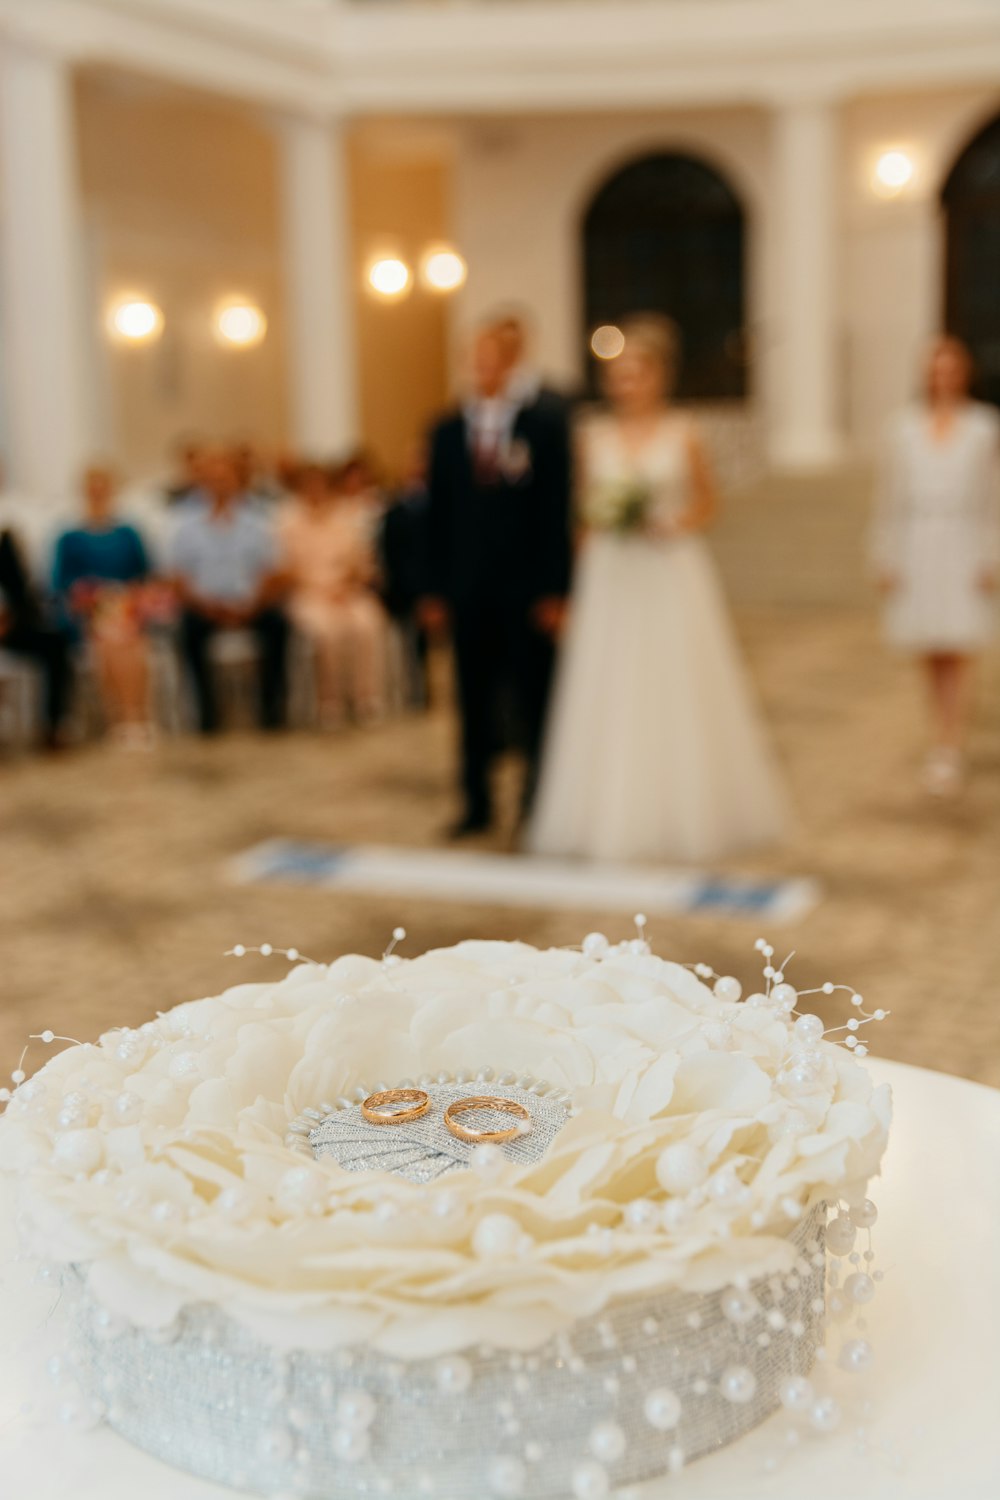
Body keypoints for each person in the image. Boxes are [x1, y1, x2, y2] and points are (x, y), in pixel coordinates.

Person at [529, 314, 787, 863]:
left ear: (658, 377)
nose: (625, 385)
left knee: (671, 680)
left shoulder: (683, 431)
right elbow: (579, 512)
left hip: (668, 567)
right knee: (610, 680)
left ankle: (678, 806)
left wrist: (674, 523)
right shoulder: (591, 436)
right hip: (610, 572)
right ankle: (606, 808)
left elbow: (707, 502)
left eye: (635, 374)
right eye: (617, 376)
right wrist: (575, 579)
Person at [423, 326, 572, 836]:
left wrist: (556, 590)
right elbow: (435, 518)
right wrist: (435, 590)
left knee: (534, 698)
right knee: (472, 701)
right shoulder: (444, 431)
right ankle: (476, 804)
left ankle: (536, 801)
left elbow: (556, 512)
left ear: (512, 363)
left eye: (496, 358)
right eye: (477, 357)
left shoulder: (543, 427)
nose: (485, 366)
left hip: (528, 592)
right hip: (468, 592)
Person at [872, 334, 1000, 796]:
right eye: (935, 368)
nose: (943, 377)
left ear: (964, 373)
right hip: (918, 543)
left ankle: (952, 742)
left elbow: (992, 500)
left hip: (963, 542)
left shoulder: (985, 427)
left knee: (960, 647)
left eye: (951, 368)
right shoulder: (901, 427)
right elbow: (888, 498)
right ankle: (936, 736)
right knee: (930, 647)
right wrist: (884, 555)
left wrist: (991, 556)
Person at [170, 448, 289, 734]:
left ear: (239, 481)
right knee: (188, 631)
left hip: (250, 604)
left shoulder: (259, 522)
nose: (220, 485)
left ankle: (271, 711)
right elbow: (177, 577)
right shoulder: (186, 526)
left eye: (226, 478)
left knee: (280, 626)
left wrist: (252, 604)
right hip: (206, 606)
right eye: (213, 479)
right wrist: (206, 604)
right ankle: (206, 716)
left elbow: (272, 572)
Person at [52, 465, 155, 746]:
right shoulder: (69, 536)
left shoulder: (128, 533)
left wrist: (127, 596)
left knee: (129, 642)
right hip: (89, 611)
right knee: (109, 640)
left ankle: (136, 717)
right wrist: (91, 596)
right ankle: (120, 719)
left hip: (127, 608)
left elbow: (144, 574)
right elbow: (60, 582)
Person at [280, 461, 387, 728]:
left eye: (321, 485)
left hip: (345, 591)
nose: (316, 491)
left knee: (367, 622)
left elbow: (359, 562)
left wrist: (346, 585)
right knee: (326, 632)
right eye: (309, 486)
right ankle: (329, 702)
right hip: (308, 594)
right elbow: (286, 569)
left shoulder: (344, 519)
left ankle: (365, 697)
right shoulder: (286, 521)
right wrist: (320, 588)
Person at [0, 525, 72, 749]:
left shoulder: (5, 541)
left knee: (56, 643)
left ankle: (53, 726)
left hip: (11, 625)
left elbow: (19, 593)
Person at [379, 439, 431, 709]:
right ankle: (414, 685)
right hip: (405, 587)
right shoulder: (395, 511)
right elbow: (390, 554)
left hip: (435, 585)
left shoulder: (442, 504)